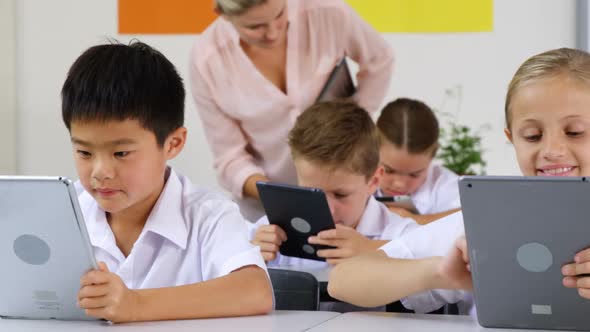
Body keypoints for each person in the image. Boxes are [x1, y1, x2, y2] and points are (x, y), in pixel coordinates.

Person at [327, 47, 590, 313]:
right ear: (512, 139)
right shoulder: (486, 221)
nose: (552, 150)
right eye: (533, 136)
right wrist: (438, 272)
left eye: (576, 132)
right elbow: (343, 281)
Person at [61, 41, 272, 323]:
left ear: (173, 143)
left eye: (121, 153)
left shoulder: (208, 215)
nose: (101, 171)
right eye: (84, 152)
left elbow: (255, 291)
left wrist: (135, 305)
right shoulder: (60, 212)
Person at [190, 0, 394, 221]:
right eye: (255, 27)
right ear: (222, 13)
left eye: (279, 14)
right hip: (270, 211)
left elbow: (380, 59)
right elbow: (229, 158)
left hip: (343, 200)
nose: (273, 33)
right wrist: (283, 199)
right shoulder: (207, 60)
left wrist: (352, 125)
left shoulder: (328, 12)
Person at [249, 101, 418, 269]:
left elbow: (433, 272)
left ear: (373, 181)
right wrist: (250, 261)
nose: (328, 210)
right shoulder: (268, 231)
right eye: (312, 192)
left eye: (340, 194)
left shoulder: (405, 236)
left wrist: (375, 250)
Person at [376, 98, 461, 225]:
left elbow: (476, 215)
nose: (399, 184)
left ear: (432, 157)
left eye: (414, 174)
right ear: (371, 148)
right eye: (388, 170)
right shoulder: (352, 175)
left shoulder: (445, 185)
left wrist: (415, 221)